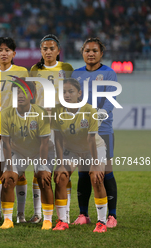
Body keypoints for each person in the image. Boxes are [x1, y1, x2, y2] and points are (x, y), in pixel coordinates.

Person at [71, 38, 118, 228]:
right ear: (82, 52)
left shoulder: (109, 73)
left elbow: (109, 101)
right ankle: (84, 214)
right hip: (81, 132)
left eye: (95, 51)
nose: (90, 54)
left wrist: (93, 119)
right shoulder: (76, 74)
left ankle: (112, 216)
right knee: (84, 173)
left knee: (104, 172)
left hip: (102, 129)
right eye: (87, 50)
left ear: (101, 53)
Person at [52, 78, 108, 233]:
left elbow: (91, 139)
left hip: (93, 148)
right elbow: (58, 139)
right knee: (61, 177)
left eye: (71, 91)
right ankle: (62, 221)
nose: (67, 95)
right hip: (72, 150)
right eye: (63, 92)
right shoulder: (57, 111)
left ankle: (101, 222)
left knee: (95, 177)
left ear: (79, 93)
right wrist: (61, 163)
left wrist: (96, 164)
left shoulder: (89, 110)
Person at [29, 34, 74, 224]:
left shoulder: (67, 69)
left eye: (51, 48)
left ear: (58, 51)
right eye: (44, 48)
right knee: (40, 170)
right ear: (41, 51)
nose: (48, 51)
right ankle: (39, 213)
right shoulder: (34, 70)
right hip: (41, 126)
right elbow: (32, 96)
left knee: (63, 171)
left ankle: (66, 212)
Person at [0, 79, 54, 230]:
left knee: (43, 178)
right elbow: (5, 143)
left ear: (32, 95)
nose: (20, 95)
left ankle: (47, 220)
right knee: (8, 179)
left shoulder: (41, 113)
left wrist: (42, 166)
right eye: (17, 91)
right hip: (19, 151)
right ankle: (8, 220)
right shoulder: (6, 113)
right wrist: (9, 168)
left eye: (24, 91)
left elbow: (44, 143)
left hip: (40, 151)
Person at [0, 37, 29, 223]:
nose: (4, 53)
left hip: (17, 127)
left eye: (8, 50)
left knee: (19, 172)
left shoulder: (22, 72)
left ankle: (20, 214)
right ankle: (3, 212)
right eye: (0, 50)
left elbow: (28, 98)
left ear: (14, 53)